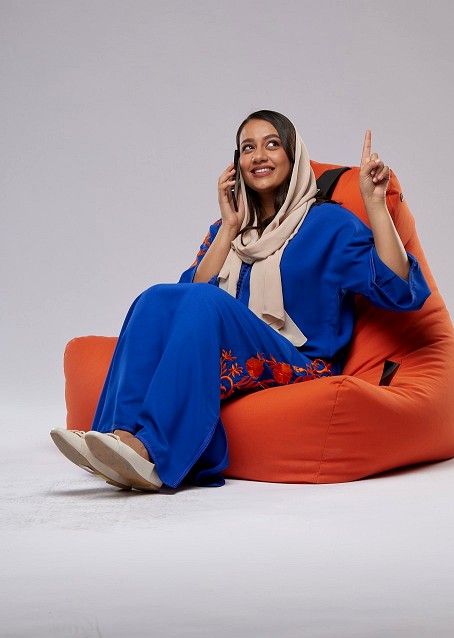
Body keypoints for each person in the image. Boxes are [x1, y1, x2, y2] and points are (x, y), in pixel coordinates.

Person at [51, 109, 431, 493]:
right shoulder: (226, 230)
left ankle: (152, 450)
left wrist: (375, 204)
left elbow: (399, 290)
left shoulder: (330, 223)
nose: (258, 155)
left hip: (303, 364)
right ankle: (119, 437)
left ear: (294, 156)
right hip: (232, 345)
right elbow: (182, 299)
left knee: (204, 302)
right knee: (154, 298)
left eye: (272, 144)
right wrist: (230, 227)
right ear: (237, 164)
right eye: (248, 148)